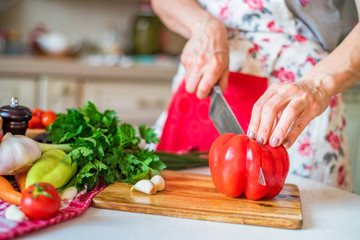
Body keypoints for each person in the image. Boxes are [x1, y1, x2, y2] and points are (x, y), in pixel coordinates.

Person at [151, 0, 360, 191]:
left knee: (309, 217)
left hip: (300, 95)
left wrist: (316, 86)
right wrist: (204, 26)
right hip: (209, 76)